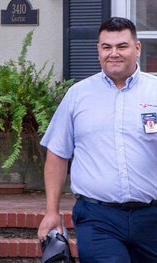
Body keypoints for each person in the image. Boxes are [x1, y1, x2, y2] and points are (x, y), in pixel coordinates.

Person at [38, 17, 157, 263]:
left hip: (152, 217)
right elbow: (57, 154)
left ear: (137, 49)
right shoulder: (78, 95)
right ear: (98, 50)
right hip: (97, 216)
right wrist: (52, 212)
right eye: (106, 47)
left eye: (122, 46)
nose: (113, 53)